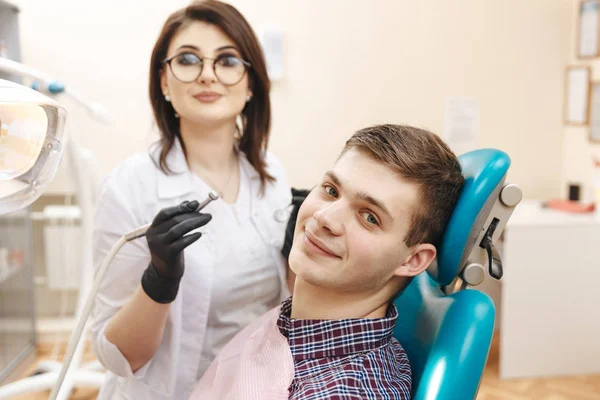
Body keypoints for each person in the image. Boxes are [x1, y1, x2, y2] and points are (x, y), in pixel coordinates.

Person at [91, 1, 295, 399]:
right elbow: (116, 356)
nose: (207, 75)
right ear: (164, 81)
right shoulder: (129, 186)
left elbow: (283, 310)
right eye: (187, 60)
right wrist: (159, 282)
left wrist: (301, 253)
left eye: (228, 60)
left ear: (251, 82)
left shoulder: (271, 174)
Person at [191, 124, 465, 399]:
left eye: (369, 217)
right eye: (331, 190)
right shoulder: (296, 326)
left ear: (413, 260)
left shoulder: (341, 392)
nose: (324, 218)